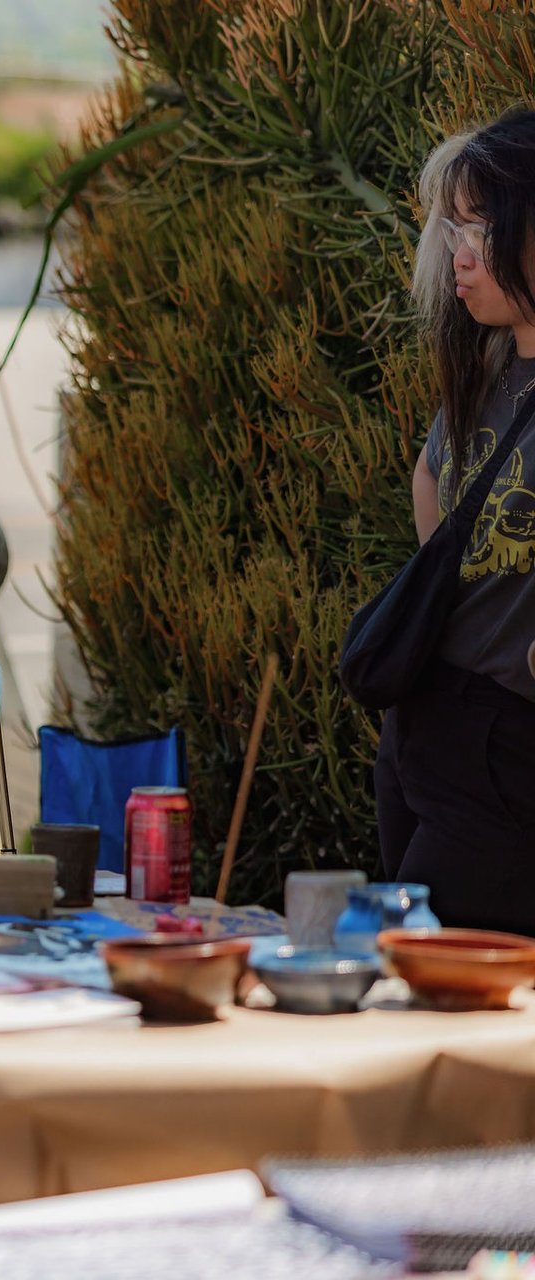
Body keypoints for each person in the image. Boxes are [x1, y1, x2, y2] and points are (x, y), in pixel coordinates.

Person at [377, 108, 535, 934]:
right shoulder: (494, 361)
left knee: (432, 970)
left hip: (503, 745)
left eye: (479, 226)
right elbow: (429, 473)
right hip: (424, 720)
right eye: (454, 228)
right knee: (412, 965)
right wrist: (450, 605)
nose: (458, 255)